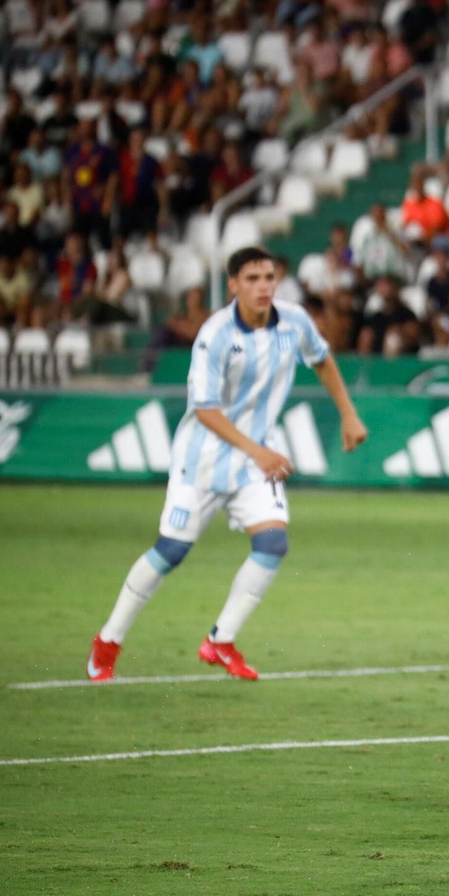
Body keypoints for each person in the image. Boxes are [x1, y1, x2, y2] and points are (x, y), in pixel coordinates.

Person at [87, 247, 370, 682]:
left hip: (256, 458)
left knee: (273, 544)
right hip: (202, 458)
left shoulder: (293, 321)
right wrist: (256, 451)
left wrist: (349, 414)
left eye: (269, 277)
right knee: (171, 551)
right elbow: (205, 409)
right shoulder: (215, 335)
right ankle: (108, 641)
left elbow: (321, 358)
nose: (263, 286)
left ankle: (220, 641)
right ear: (233, 284)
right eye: (253, 278)